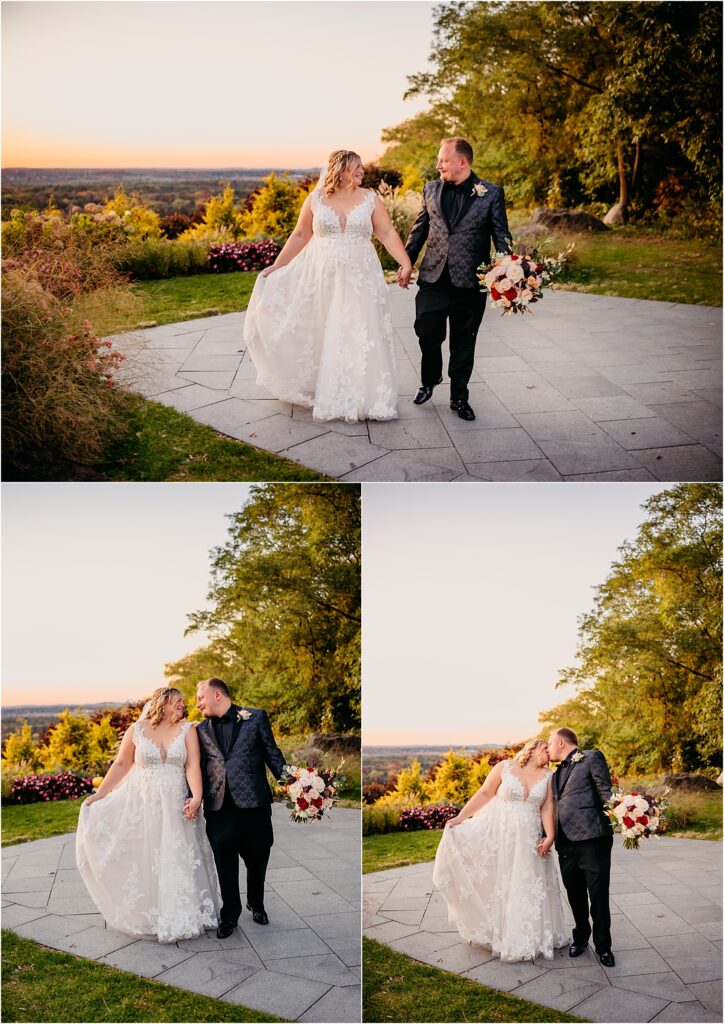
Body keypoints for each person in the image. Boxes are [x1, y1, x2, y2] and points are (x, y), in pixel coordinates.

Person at [243, 149, 411, 423]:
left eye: (361, 167)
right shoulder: (316, 199)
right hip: (322, 275)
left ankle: (364, 394)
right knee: (323, 327)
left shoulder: (370, 199)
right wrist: (277, 266)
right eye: (356, 167)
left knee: (360, 329)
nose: (362, 171)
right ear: (340, 169)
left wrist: (405, 263)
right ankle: (327, 386)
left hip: (361, 276)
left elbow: (387, 232)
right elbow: (300, 235)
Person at [75, 687, 220, 943]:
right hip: (144, 805)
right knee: (148, 857)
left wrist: (196, 798)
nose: (182, 706)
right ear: (162, 703)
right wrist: (99, 795)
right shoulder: (137, 730)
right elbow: (121, 765)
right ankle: (150, 914)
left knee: (177, 855)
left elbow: (191, 765)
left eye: (183, 703)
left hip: (177, 805)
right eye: (177, 702)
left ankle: (182, 913)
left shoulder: (188, 730)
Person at [401, 136, 511, 421]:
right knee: (426, 331)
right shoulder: (430, 189)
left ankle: (459, 398)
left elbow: (501, 236)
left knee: (464, 342)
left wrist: (507, 272)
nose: (439, 165)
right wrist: (406, 262)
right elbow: (419, 230)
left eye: (444, 160)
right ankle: (430, 378)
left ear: (462, 162)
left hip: (471, 283)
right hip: (433, 278)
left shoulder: (491, 193)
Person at [432, 739, 568, 962]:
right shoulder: (504, 767)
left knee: (528, 884)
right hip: (502, 836)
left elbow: (547, 807)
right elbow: (485, 793)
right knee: (501, 882)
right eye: (545, 748)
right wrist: (461, 817)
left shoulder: (548, 776)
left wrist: (550, 836)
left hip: (530, 839)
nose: (548, 753)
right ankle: (502, 932)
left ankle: (530, 937)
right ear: (532, 749)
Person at [195, 677, 286, 936]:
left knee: (258, 858)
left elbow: (272, 754)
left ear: (217, 695)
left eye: (201, 697)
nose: (198, 703)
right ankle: (229, 916)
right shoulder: (199, 730)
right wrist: (193, 797)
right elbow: (198, 769)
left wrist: (296, 785)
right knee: (225, 862)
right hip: (218, 808)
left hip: (254, 805)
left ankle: (256, 904)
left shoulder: (255, 718)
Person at [548, 727, 616, 967]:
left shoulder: (591, 757)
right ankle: (581, 938)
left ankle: (604, 946)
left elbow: (605, 792)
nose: (547, 748)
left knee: (598, 895)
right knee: (574, 894)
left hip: (593, 839)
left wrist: (628, 814)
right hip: (565, 843)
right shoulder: (554, 774)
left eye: (549, 743)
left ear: (561, 742)